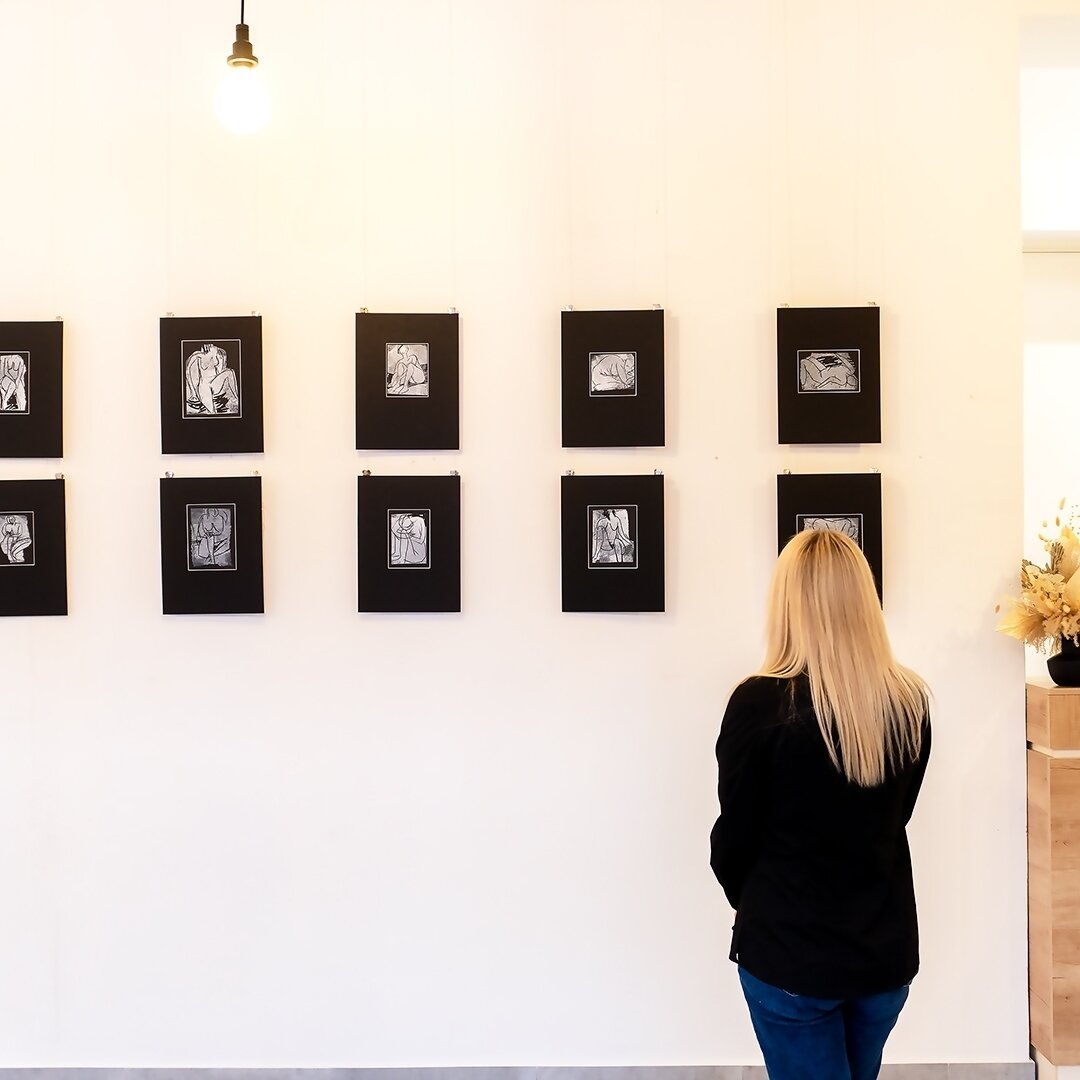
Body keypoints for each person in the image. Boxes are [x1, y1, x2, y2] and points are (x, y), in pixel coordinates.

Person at [709, 528, 930, 1080]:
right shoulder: (909, 702)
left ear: (787, 603)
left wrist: (753, 901)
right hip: (882, 952)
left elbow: (734, 839)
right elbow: (896, 816)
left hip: (789, 952)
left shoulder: (758, 703)